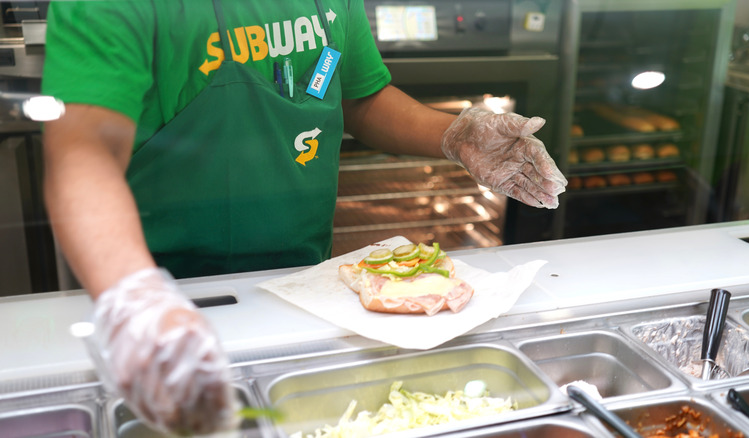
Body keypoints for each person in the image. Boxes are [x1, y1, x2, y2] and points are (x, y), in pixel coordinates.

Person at [41, 0, 567, 435]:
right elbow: (81, 154)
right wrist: (134, 299)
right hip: (168, 302)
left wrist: (454, 135)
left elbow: (360, 97)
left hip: (304, 288)